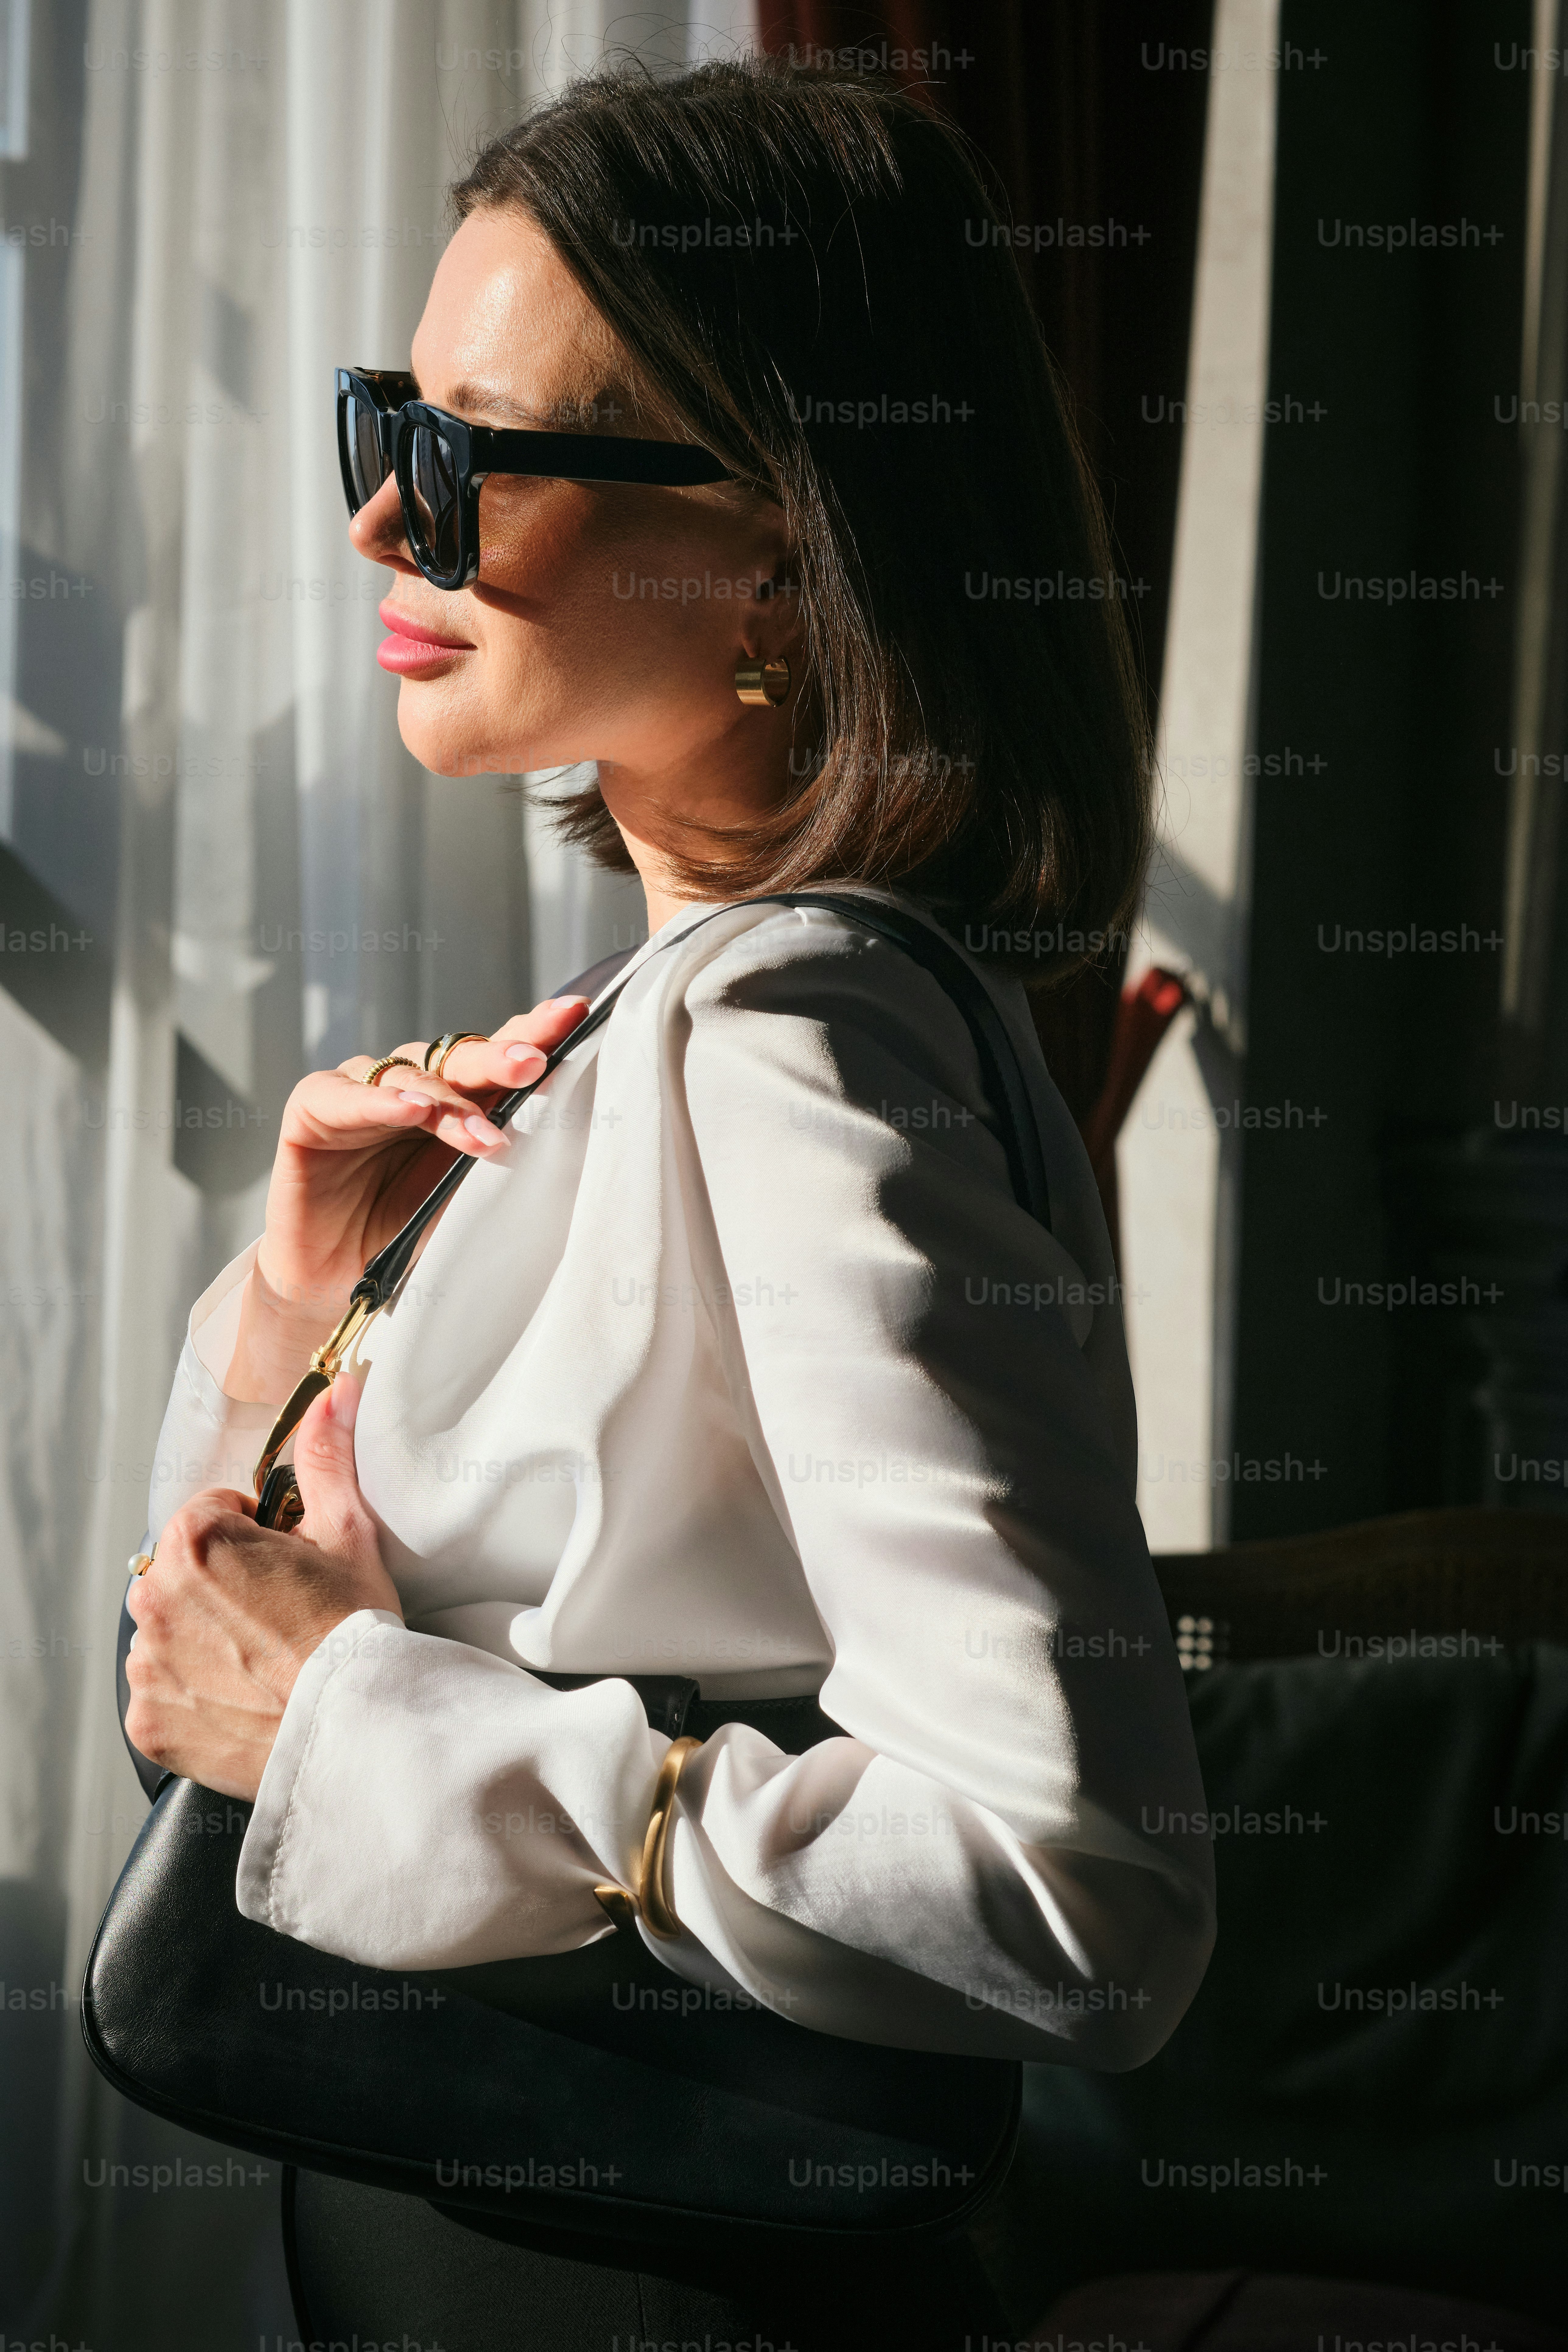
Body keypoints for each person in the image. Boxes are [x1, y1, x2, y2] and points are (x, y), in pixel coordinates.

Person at [122, 54, 1215, 2352]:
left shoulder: (794, 1040)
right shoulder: (670, 1016)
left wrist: (369, 1728)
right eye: (379, 421)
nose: (380, 526)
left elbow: (1077, 1890)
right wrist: (314, 1291)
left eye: (474, 460)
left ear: (789, 556)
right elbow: (214, 1679)